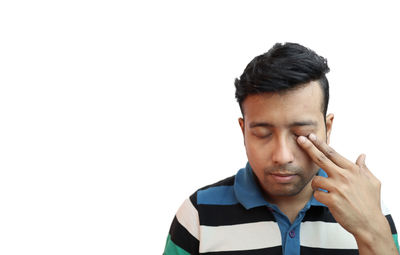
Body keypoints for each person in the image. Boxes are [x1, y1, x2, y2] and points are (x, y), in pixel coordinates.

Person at [162, 42, 400, 255]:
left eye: (301, 134)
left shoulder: (370, 210)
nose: (282, 155)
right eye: (263, 133)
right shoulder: (199, 214)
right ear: (243, 130)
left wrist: (373, 232)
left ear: (327, 128)